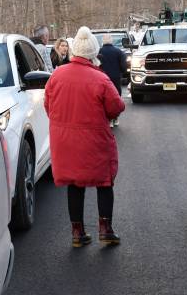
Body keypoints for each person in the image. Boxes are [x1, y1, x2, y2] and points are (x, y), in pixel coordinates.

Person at [44, 26, 125, 248]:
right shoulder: (100, 79)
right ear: (92, 53)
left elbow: (48, 106)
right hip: (95, 141)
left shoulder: (56, 76)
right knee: (104, 182)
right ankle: (105, 230)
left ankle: (77, 233)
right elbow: (116, 107)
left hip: (65, 142)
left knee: (74, 184)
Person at [98, 34, 127, 127]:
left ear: (102, 41)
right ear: (112, 41)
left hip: (102, 78)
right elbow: (124, 67)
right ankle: (116, 117)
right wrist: (121, 72)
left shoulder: (98, 52)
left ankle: (108, 119)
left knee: (104, 98)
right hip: (115, 78)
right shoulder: (119, 52)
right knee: (115, 98)